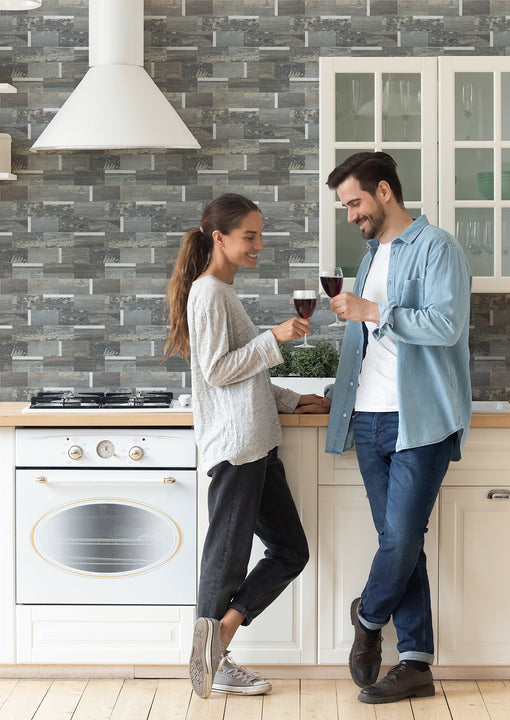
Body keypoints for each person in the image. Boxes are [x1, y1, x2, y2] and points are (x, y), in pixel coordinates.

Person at [164, 193, 330, 700]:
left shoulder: (221, 292)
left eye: (260, 234)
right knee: (227, 556)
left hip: (257, 443)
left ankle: (221, 637)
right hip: (237, 447)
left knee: (290, 550)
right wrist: (275, 337)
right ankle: (211, 655)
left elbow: (242, 377)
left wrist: (294, 397)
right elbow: (217, 371)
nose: (258, 245)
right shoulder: (209, 292)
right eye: (249, 236)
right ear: (220, 238)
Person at [324, 152, 472, 704]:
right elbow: (369, 341)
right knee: (399, 542)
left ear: (385, 191)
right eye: (345, 206)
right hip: (368, 417)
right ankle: (415, 663)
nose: (350, 215)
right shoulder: (370, 255)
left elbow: (446, 323)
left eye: (355, 202)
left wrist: (371, 311)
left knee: (404, 536)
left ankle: (368, 615)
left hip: (420, 417)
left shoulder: (438, 248)